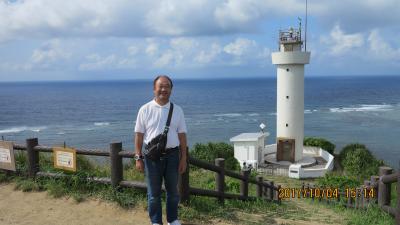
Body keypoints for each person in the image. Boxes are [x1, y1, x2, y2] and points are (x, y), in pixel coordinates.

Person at [134, 75, 188, 225]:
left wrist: (183, 158)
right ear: (154, 89)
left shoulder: (177, 110)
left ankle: (173, 219)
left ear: (171, 89)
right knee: (153, 194)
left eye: (167, 86)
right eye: (161, 86)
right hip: (151, 158)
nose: (164, 89)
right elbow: (139, 135)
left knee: (173, 192)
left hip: (172, 156)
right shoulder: (145, 109)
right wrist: (138, 158)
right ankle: (156, 221)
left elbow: (182, 136)